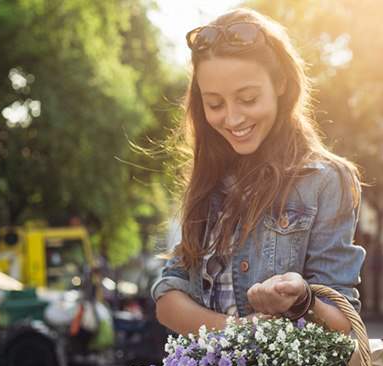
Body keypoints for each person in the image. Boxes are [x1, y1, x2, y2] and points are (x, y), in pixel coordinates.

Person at [152, 8, 366, 339]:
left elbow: (341, 322)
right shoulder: (207, 180)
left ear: (280, 83)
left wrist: (302, 299)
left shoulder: (326, 180)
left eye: (247, 98)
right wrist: (239, 334)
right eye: (215, 104)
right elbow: (167, 299)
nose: (233, 119)